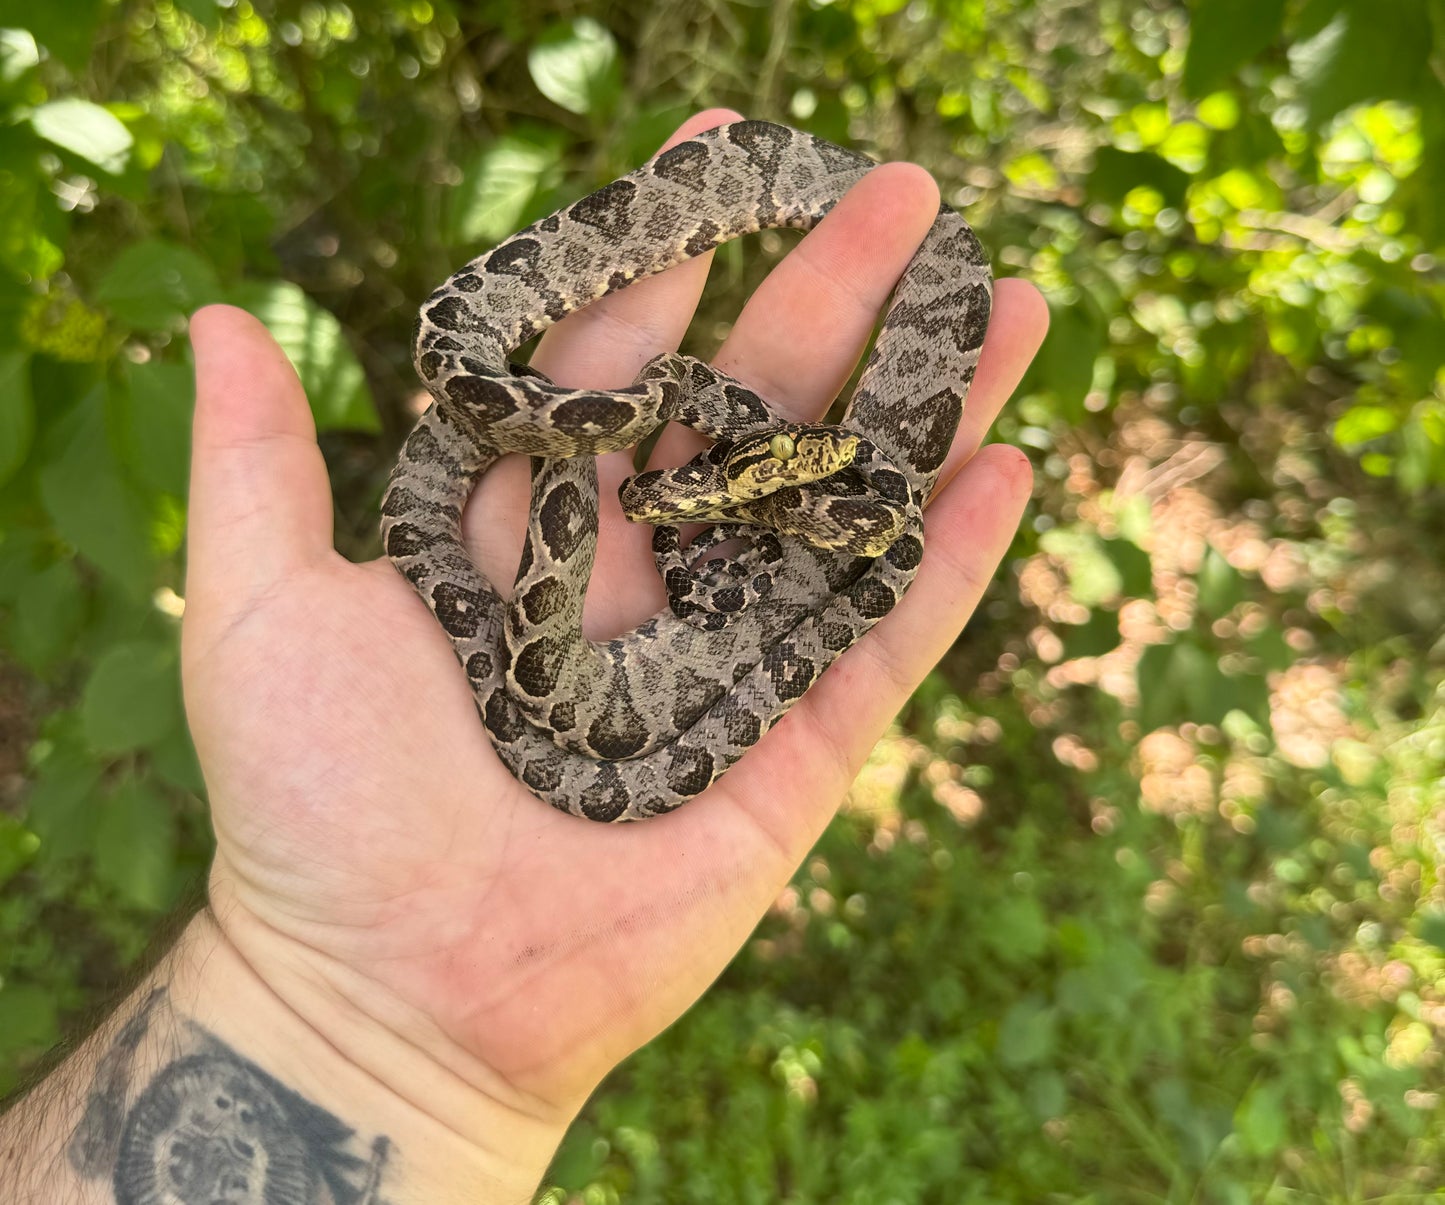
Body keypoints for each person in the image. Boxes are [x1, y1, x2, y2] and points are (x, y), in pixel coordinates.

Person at [0, 110, 1047, 1203]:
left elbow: (851, 518)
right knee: (505, 383)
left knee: (890, 427)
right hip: (648, 594)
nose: (647, 504)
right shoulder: (672, 450)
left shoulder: (798, 485)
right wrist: (318, 996)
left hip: (676, 606)